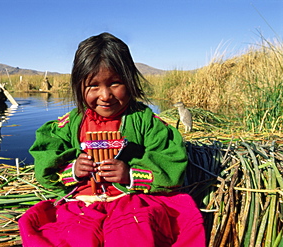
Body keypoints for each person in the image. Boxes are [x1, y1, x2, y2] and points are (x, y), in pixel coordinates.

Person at [18, 32, 206, 247]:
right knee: (70, 236)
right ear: (79, 87)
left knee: (133, 235)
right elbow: (46, 160)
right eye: (93, 86)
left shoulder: (145, 121)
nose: (105, 95)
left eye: (115, 83)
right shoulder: (70, 123)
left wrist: (130, 174)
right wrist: (73, 170)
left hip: (133, 201)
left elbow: (171, 163)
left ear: (130, 81)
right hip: (82, 203)